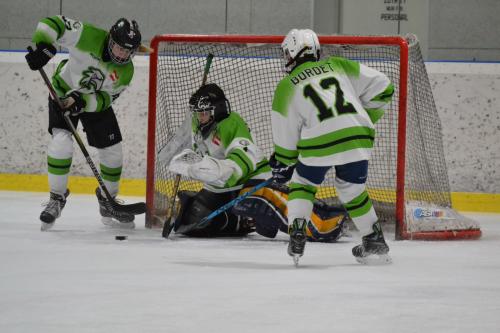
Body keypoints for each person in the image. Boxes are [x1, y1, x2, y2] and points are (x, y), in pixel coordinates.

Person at [270, 29, 394, 264]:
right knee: (351, 188)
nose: (285, 58)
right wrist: (361, 118)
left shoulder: (286, 86)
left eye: (287, 53)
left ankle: (297, 232)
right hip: (358, 135)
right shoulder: (338, 65)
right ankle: (374, 239)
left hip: (319, 141)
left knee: (303, 183)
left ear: (295, 53)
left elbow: (286, 144)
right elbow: (385, 87)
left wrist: (284, 161)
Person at [166, 83, 348, 242]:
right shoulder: (198, 126)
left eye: (204, 113)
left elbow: (242, 160)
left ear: (217, 111)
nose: (200, 117)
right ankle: (241, 221)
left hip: (251, 180)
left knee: (256, 200)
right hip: (221, 187)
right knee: (194, 220)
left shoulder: (231, 124)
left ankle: (324, 221)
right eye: (198, 113)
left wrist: (218, 171)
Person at [25, 16, 141, 230]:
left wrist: (82, 102)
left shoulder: (126, 71)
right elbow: (54, 23)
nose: (122, 55)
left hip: (92, 101)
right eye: (119, 48)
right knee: (61, 142)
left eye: (128, 51)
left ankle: (108, 202)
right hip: (62, 90)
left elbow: (106, 99)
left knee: (113, 152)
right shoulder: (87, 35)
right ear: (110, 39)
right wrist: (44, 46)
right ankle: (56, 198)